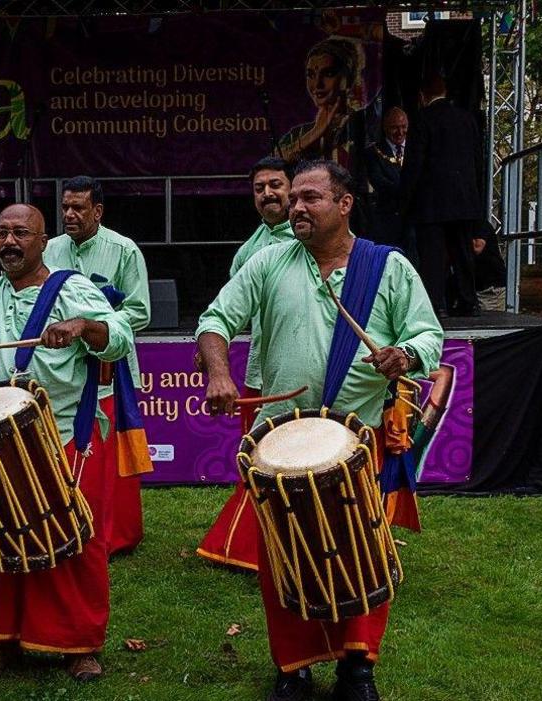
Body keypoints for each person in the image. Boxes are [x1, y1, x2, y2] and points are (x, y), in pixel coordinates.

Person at [196, 161, 443, 701]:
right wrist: (218, 370)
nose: (297, 207)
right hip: (278, 442)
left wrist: (406, 354)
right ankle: (293, 666)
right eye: (296, 199)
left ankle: (358, 667)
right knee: (282, 557)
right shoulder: (268, 262)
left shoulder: (388, 267)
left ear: (345, 203)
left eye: (312, 198)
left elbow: (429, 335)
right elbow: (215, 319)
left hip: (356, 441)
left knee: (360, 552)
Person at [0, 203, 134, 682]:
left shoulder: (73, 289)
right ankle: (1, 642)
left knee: (76, 539)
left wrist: (82, 327)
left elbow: (118, 337)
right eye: (1, 233)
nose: (9, 243)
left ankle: (81, 645)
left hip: (67, 436)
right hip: (3, 442)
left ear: (42, 240)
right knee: (2, 538)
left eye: (20, 233)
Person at [44, 175, 151, 557]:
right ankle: (67, 525)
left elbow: (140, 311)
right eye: (65, 207)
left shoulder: (123, 250)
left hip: (110, 365)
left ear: (97, 211)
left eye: (78, 208)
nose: (69, 214)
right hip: (60, 368)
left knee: (109, 452)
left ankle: (116, 534)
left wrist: (98, 325)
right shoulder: (48, 250)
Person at [196, 156, 295, 573]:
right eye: (260, 188)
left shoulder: (319, 241)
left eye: (276, 185)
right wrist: (210, 352)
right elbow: (226, 313)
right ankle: (257, 548)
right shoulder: (249, 252)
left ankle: (257, 546)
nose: (268, 194)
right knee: (257, 461)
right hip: (259, 375)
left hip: (304, 374)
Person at [401, 73, 484, 317]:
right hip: (464, 200)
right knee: (463, 252)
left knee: (433, 256)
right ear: (445, 91)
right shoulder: (468, 119)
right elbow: (477, 162)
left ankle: (436, 304)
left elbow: (415, 162)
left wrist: (405, 200)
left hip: (432, 202)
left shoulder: (422, 119)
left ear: (422, 96)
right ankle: (469, 301)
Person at [276, 37, 368, 168]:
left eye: (328, 73)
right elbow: (269, 169)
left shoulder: (367, 127)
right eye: (311, 75)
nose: (317, 84)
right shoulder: (299, 134)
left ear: (348, 78)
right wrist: (315, 133)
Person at [364, 107, 413, 254]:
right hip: (387, 220)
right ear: (385, 128)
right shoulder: (373, 152)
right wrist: (408, 190)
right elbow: (378, 180)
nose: (400, 132)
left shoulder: (416, 148)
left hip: (412, 222)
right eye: (395, 128)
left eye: (404, 127)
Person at [473, 225, 506, 312]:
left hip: (489, 287)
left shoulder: (480, 225)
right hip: (477, 285)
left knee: (489, 320)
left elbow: (477, 247)